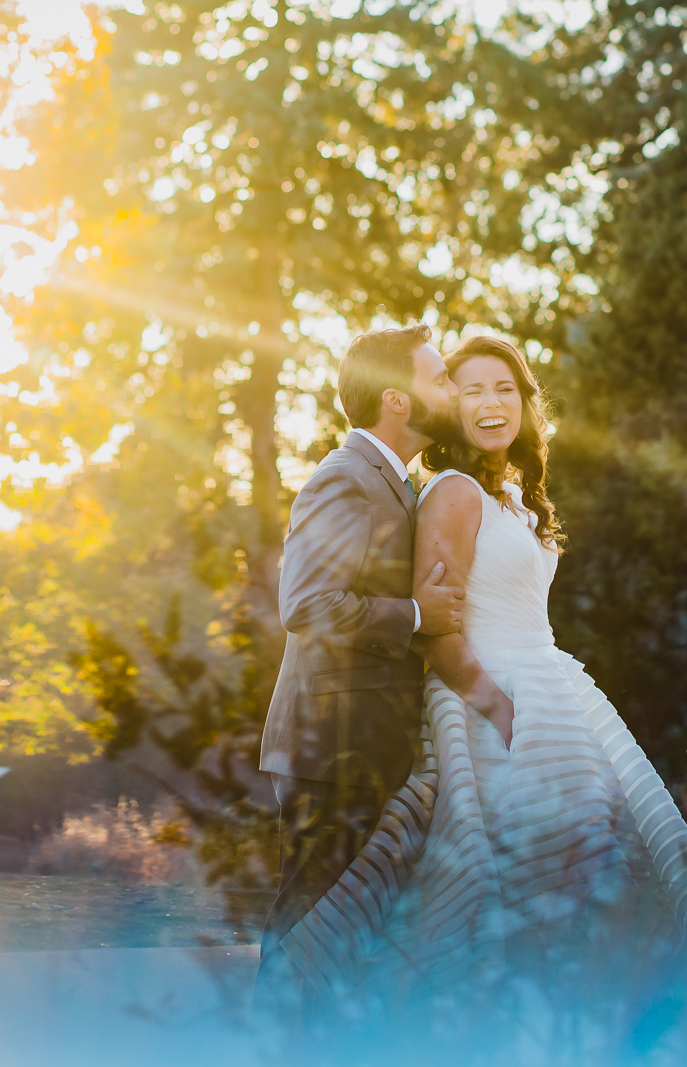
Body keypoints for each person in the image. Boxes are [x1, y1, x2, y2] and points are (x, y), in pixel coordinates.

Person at [274, 335, 687, 994]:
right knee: (478, 885)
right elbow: (420, 622)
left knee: (582, 867)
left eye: (505, 388)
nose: (488, 402)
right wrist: (498, 706)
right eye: (464, 387)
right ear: (424, 403)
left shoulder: (498, 496)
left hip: (545, 693)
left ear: (525, 401)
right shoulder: (437, 491)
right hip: (472, 703)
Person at [255, 323, 464, 988]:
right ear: (397, 399)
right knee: (308, 926)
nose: (452, 391)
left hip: (369, 750)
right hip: (331, 753)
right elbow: (309, 604)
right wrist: (418, 617)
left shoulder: (399, 483)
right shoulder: (345, 477)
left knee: (347, 942)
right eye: (439, 379)